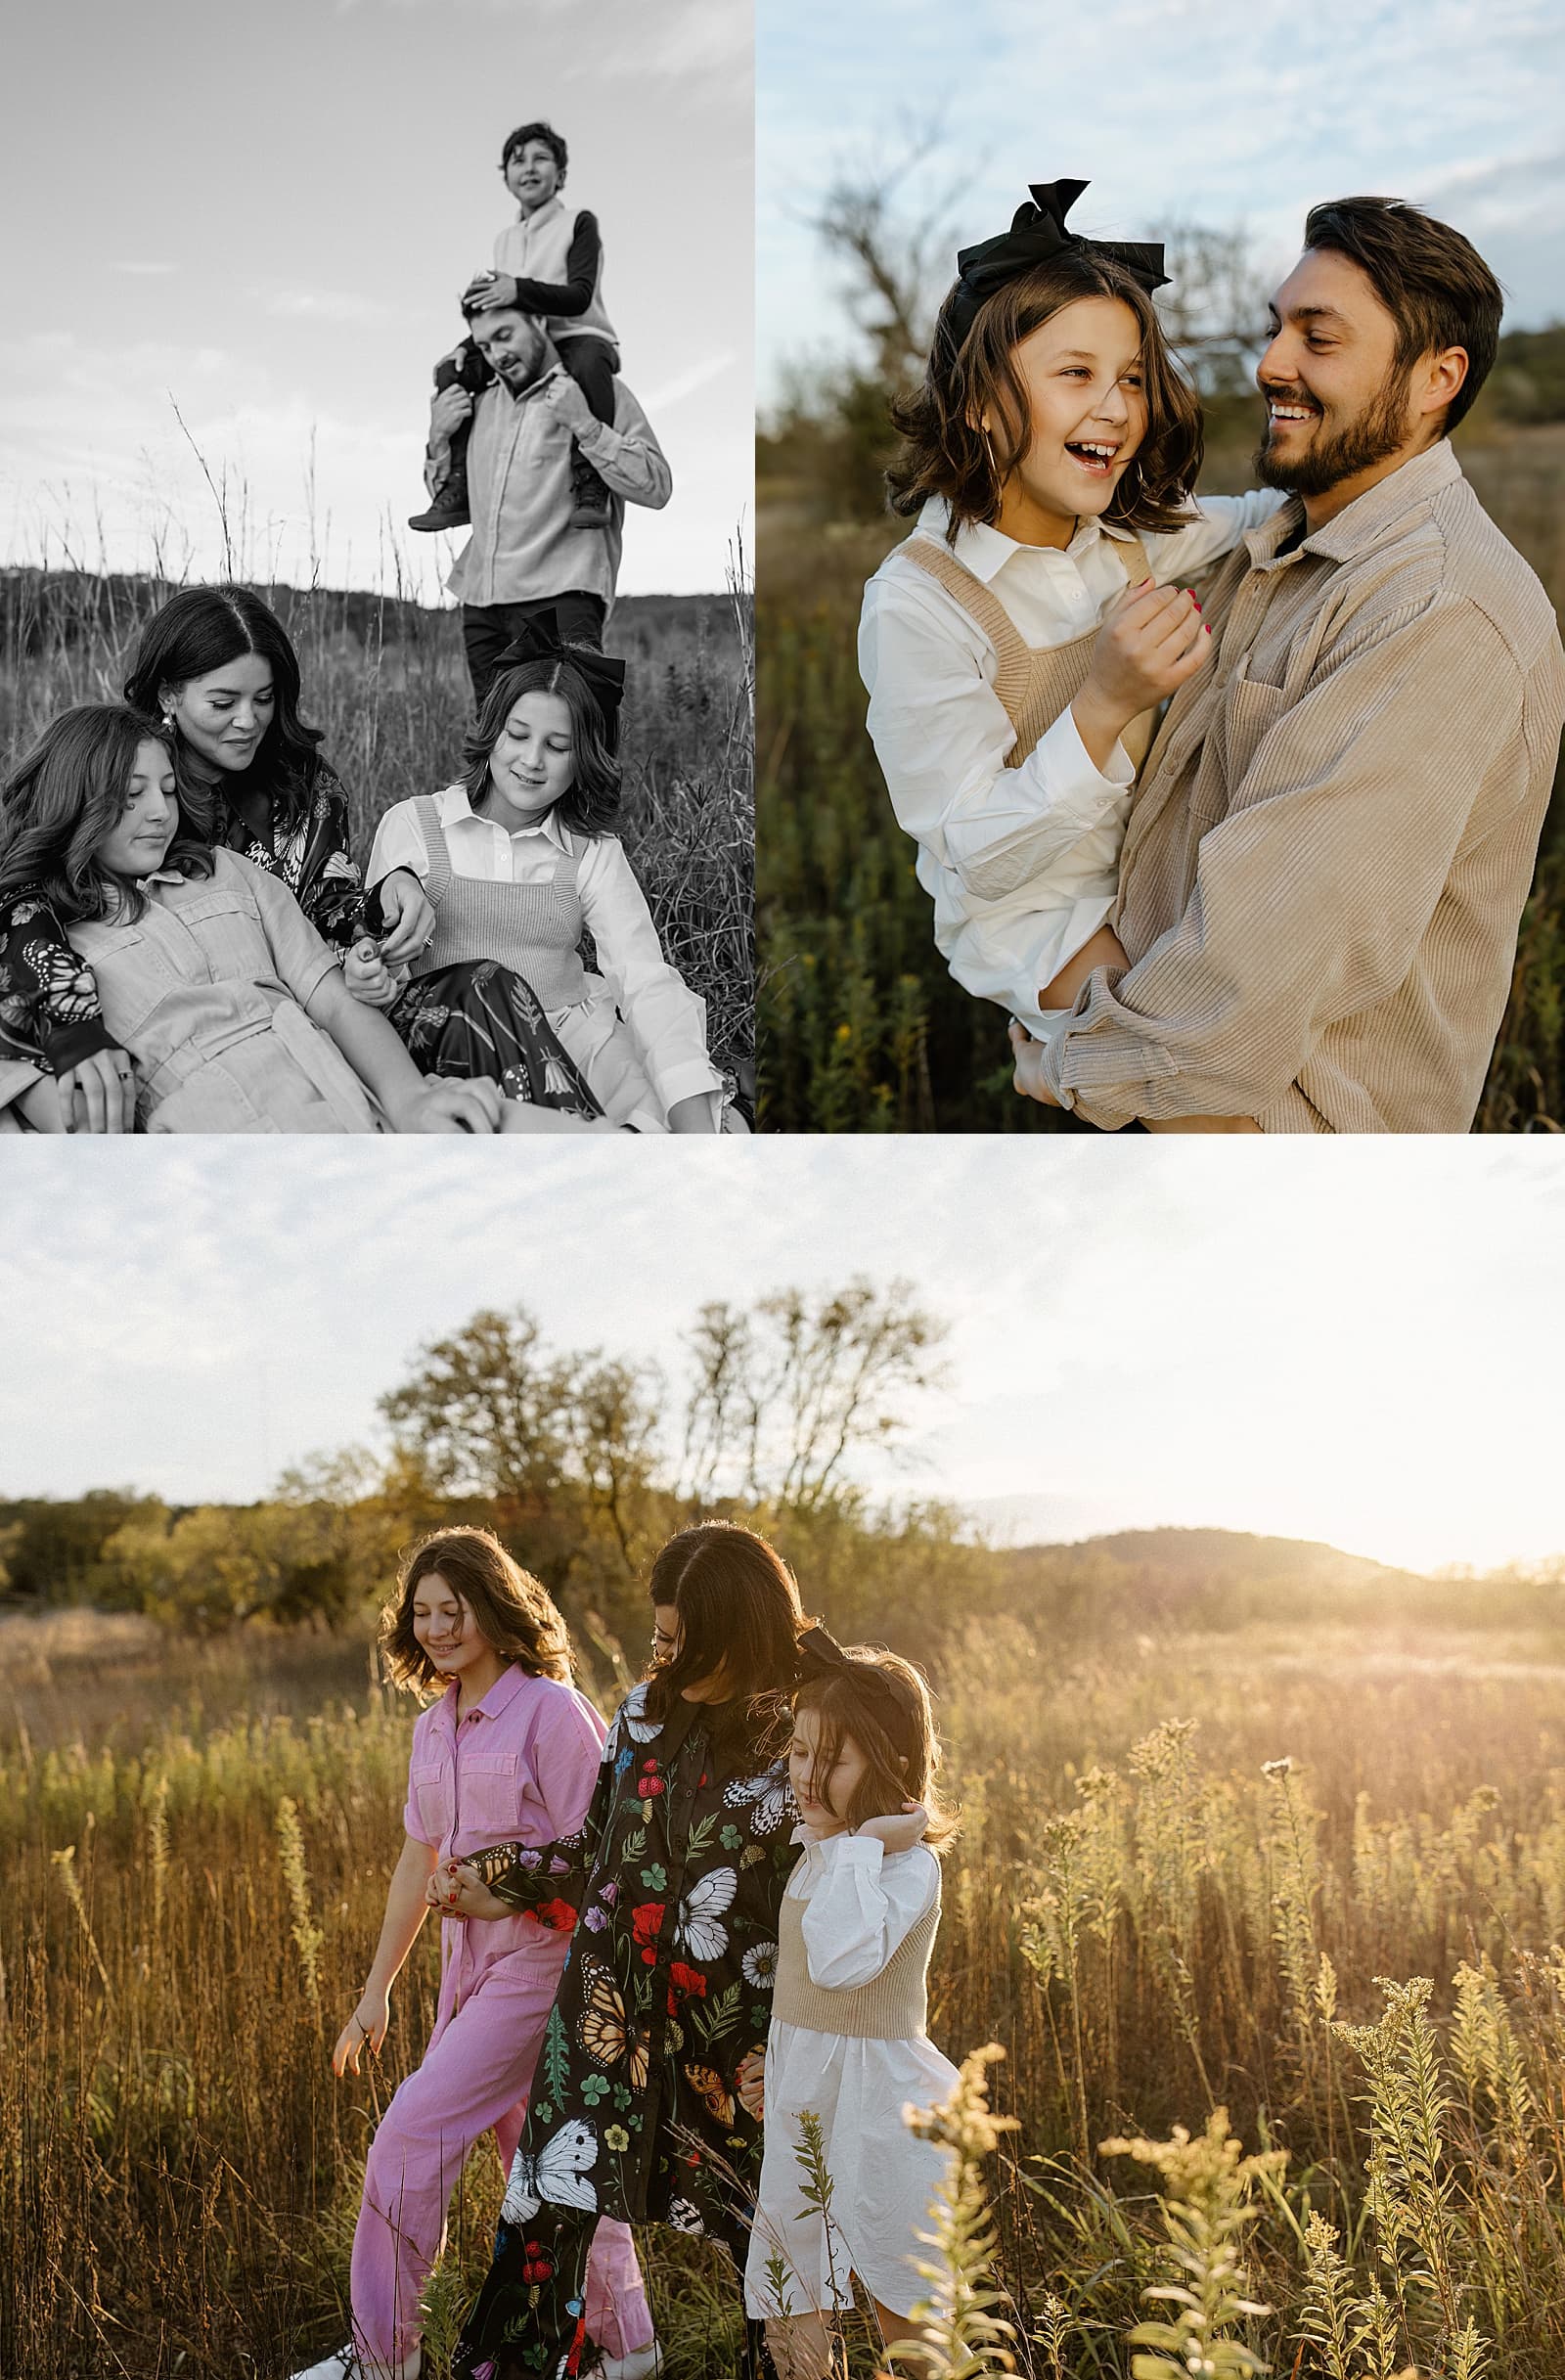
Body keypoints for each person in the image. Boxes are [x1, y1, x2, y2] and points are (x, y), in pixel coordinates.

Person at [1008, 195, 1565, 1132]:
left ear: (1438, 377)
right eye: (1276, 327)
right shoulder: (1269, 551)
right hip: (1157, 1112)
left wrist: (1062, 1059)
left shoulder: (1439, 613)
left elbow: (1237, 987)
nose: (1271, 363)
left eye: (1320, 337)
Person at [859, 178, 1283, 1135]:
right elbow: (973, 855)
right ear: (976, 402)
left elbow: (1263, 520)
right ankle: (1068, 1065)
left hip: (1156, 863)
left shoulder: (1126, 540)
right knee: (1198, 1099)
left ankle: (1073, 1070)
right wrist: (1100, 704)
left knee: (1275, 1026)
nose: (1117, 407)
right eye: (1075, 374)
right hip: (1037, 920)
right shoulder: (922, 603)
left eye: (1131, 376)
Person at [436, 1520, 814, 2380]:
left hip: (739, 2032)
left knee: (766, 2238)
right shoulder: (641, 1713)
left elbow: (834, 1892)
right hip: (608, 2014)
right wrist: (503, 1873)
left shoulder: (802, 1733)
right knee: (541, 2214)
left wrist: (808, 2037)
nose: (665, 1657)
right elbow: (596, 1847)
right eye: (659, 1636)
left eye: (683, 1640)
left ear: (737, 1633)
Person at [290, 1528, 653, 2380]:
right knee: (547, 2154)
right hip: (465, 1970)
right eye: (421, 1613)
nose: (438, 1627)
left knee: (410, 2135)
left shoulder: (552, 1710)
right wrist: (375, 1989)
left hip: (542, 1967)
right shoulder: (432, 1727)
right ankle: (631, 2346)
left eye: (453, 1608)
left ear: (493, 1604)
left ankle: (384, 2355)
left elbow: (599, 1856)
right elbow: (417, 1860)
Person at [0, 706, 598, 1135]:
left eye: (167, 790)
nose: (159, 813)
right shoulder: (40, 942)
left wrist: (410, 1097)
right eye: (131, 796)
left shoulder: (224, 872)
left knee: (585, 1148)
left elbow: (333, 1000)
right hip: (227, 1147)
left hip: (357, 1101)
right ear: (75, 802)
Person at [0, 585, 433, 1130]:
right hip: (210, 1104)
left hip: (325, 1024)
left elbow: (328, 907)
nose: (250, 721)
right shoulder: (118, 785)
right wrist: (67, 1018)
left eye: (265, 698)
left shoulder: (304, 790)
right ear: (168, 697)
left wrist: (382, 906)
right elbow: (28, 897)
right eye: (224, 703)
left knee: (479, 996)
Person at [354, 630, 727, 1132]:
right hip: (455, 1043)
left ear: (584, 758)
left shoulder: (590, 851)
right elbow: (382, 962)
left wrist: (693, 1126)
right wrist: (374, 966)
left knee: (672, 1110)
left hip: (573, 1038)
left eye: (558, 746)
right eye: (518, 734)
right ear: (492, 730)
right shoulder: (415, 825)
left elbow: (643, 978)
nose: (531, 760)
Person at [739, 1640, 957, 2380]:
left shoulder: (906, 1866)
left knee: (903, 2304)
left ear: (891, 1764)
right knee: (789, 2293)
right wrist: (778, 2063)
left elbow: (843, 1961)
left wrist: (866, 1843)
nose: (805, 1774)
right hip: (808, 2103)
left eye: (832, 1759)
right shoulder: (819, 1850)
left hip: (882, 2108)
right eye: (799, 1752)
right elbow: (805, 1997)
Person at [422, 301, 671, 700]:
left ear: (539, 321)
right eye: (484, 346)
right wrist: (438, 438)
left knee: (575, 742)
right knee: (497, 743)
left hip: (560, 599)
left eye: (505, 335)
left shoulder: (594, 390)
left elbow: (656, 486)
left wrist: (585, 425)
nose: (497, 354)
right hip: (482, 603)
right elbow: (451, 501)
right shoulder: (480, 405)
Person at [410, 119, 619, 537]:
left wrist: (516, 288)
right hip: (523, 339)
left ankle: (591, 481)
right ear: (505, 177)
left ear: (560, 175)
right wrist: (467, 344)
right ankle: (458, 488)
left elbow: (578, 295)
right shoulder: (505, 239)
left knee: (590, 363)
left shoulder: (579, 222)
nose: (529, 167)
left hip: (575, 332)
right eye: (517, 160)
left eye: (541, 158)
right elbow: (503, 309)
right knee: (448, 372)